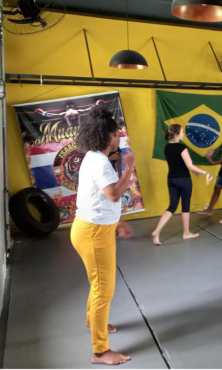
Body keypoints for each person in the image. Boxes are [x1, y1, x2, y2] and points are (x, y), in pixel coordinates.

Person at [71, 106, 134, 365]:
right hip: (94, 233)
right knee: (104, 290)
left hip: (93, 229)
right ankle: (100, 352)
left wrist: (118, 221)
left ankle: (92, 319)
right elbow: (113, 194)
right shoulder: (101, 162)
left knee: (98, 284)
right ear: (110, 137)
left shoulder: (93, 157)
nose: (119, 138)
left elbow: (97, 198)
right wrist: (129, 167)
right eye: (117, 134)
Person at [151, 124, 212, 245]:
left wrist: (195, 171)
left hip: (171, 179)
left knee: (172, 206)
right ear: (177, 134)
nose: (184, 134)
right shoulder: (181, 147)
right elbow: (188, 165)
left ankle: (157, 231)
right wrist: (205, 173)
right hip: (184, 180)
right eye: (182, 132)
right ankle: (186, 233)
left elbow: (178, 163)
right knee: (185, 206)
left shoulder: (167, 147)